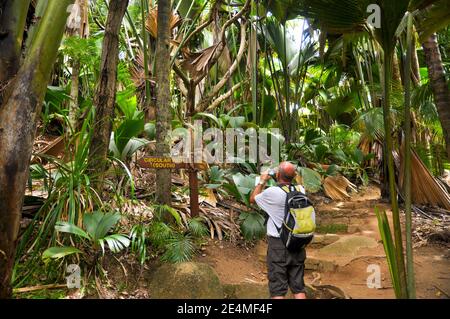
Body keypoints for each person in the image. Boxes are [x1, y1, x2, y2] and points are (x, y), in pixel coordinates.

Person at [249, 161, 307, 299]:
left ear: (277, 174)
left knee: (278, 289)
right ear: (293, 176)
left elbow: (252, 198)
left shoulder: (272, 192)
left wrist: (262, 181)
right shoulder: (301, 190)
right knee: (298, 287)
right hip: (297, 242)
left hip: (278, 245)